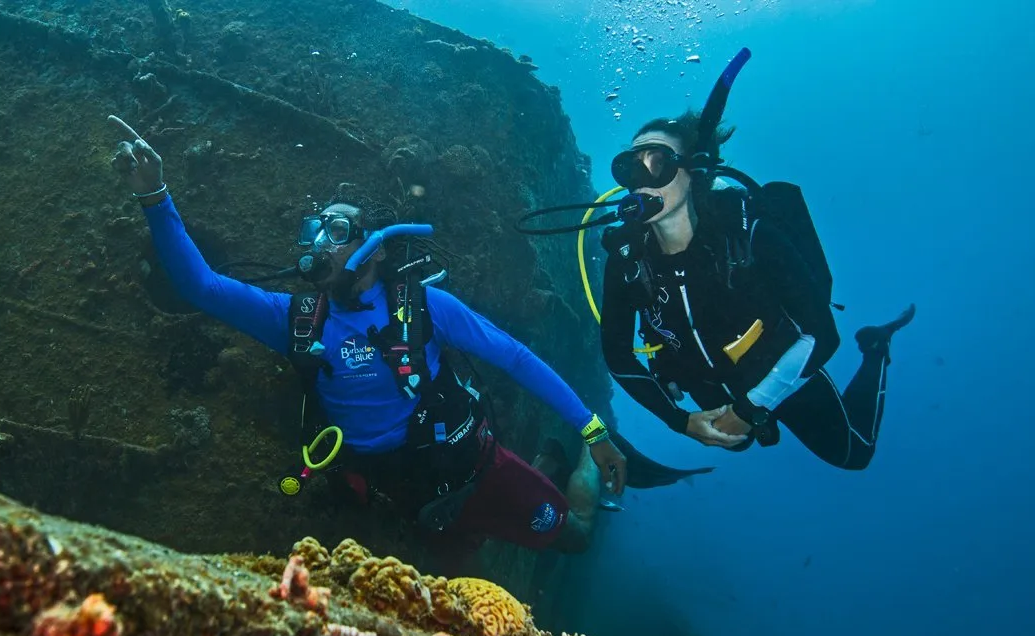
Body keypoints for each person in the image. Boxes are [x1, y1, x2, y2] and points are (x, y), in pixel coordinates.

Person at [107, 115, 629, 554]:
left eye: (338, 231)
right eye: (315, 230)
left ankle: (571, 457)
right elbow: (200, 286)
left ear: (375, 248)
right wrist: (155, 195)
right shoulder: (291, 315)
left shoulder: (427, 307)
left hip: (474, 469)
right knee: (459, 555)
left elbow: (514, 358)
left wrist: (593, 432)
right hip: (399, 493)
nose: (321, 242)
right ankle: (547, 460)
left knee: (574, 538)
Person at [597, 50, 914, 470]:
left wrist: (749, 409)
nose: (641, 182)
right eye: (630, 168)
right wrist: (680, 420)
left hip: (783, 366)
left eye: (657, 163)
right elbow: (618, 354)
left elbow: (822, 333)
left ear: (696, 172)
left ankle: (876, 346)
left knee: (855, 454)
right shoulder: (627, 259)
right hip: (708, 382)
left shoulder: (747, 234)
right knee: (738, 444)